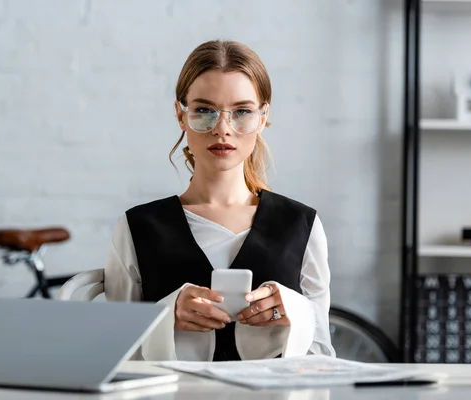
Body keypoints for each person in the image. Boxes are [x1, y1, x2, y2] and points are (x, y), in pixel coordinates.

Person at [104, 39, 335, 361]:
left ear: (263, 116)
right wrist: (166, 315)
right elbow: (113, 349)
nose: (222, 129)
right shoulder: (137, 226)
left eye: (242, 111)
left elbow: (322, 351)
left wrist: (294, 310)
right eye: (204, 111)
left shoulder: (301, 224)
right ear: (180, 115)